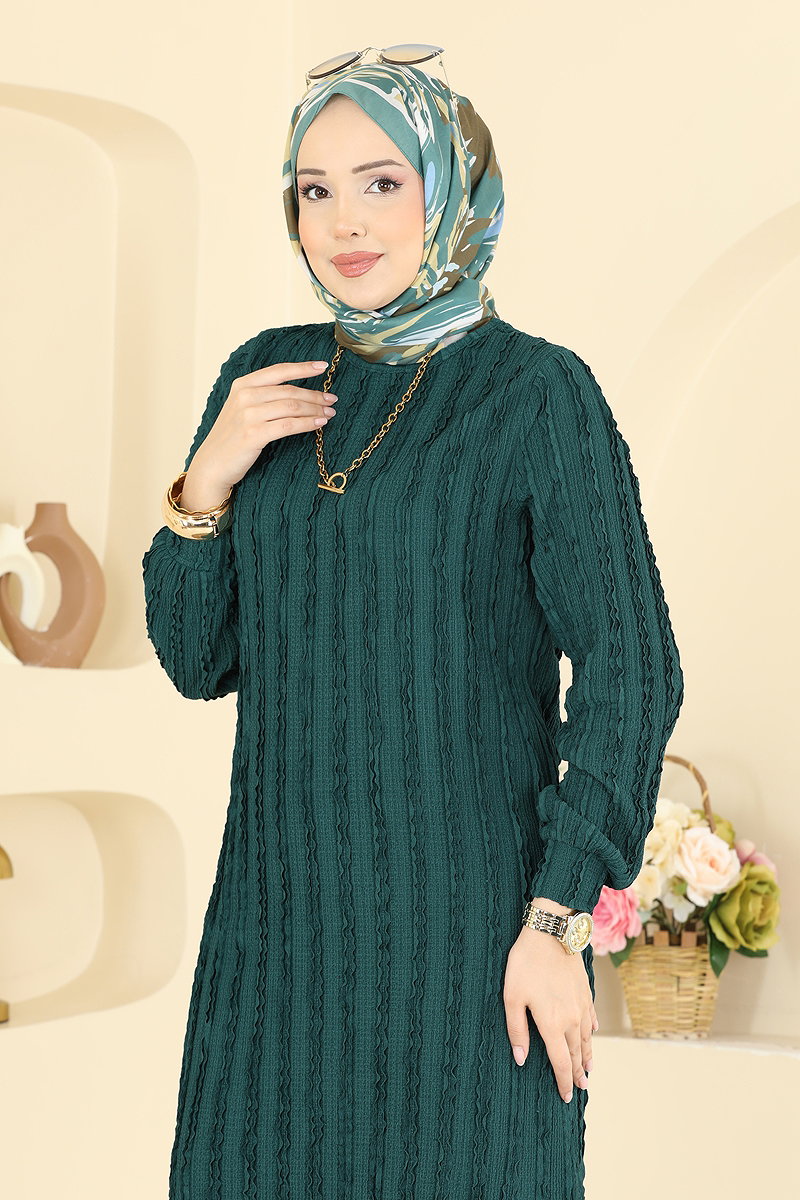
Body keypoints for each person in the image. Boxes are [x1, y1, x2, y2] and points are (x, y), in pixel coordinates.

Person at [142, 50, 685, 1200]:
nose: (343, 221)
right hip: (273, 952)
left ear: (451, 189)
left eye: (382, 183)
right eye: (315, 189)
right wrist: (206, 482)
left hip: (470, 955)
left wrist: (556, 921)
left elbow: (632, 670)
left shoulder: (536, 393)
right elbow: (198, 660)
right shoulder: (264, 377)